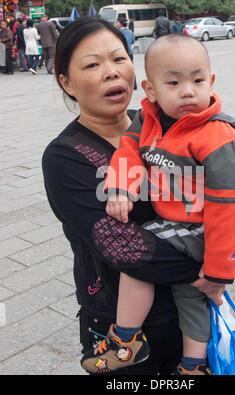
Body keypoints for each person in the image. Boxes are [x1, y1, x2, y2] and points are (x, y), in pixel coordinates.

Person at [42, 17, 209, 376]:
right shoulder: (64, 157)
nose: (111, 72)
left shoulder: (165, 128)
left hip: (190, 315)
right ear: (66, 83)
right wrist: (214, 265)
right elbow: (123, 248)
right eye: (92, 64)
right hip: (122, 331)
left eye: (119, 59)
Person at [81, 34, 235, 375]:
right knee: (190, 297)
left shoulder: (219, 137)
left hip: (201, 230)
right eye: (173, 82)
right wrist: (119, 189)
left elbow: (228, 210)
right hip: (177, 225)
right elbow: (129, 153)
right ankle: (193, 366)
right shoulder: (149, 121)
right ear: (151, 90)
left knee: (135, 262)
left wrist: (220, 271)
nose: (187, 91)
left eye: (198, 80)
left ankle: (127, 341)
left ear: (211, 81)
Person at [117, 17, 137, 90]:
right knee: (131, 67)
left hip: (122, 52)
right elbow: (132, 41)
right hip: (130, 52)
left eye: (118, 22)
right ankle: (134, 85)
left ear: (120, 24)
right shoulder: (130, 32)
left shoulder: (118, 32)